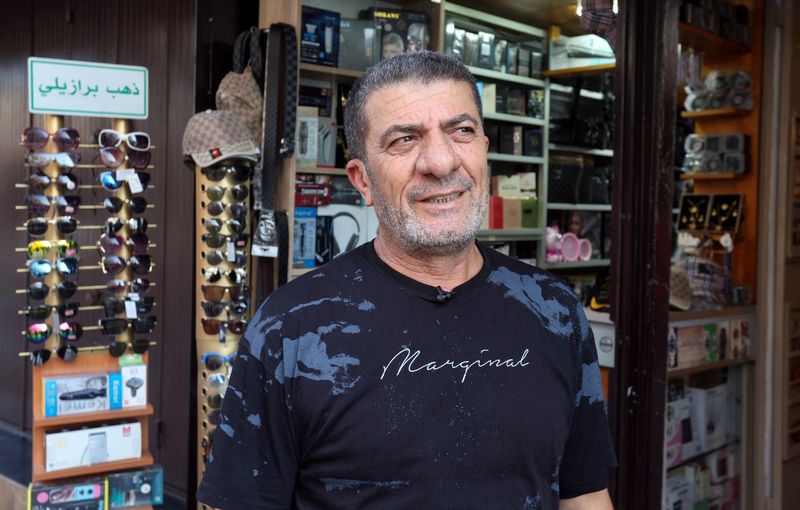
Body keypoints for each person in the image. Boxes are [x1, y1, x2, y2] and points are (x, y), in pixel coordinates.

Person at [197, 51, 616, 510]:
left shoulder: (555, 311)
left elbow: (585, 494)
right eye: (404, 140)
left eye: (461, 131)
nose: (440, 161)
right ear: (362, 180)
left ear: (484, 152)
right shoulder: (290, 326)